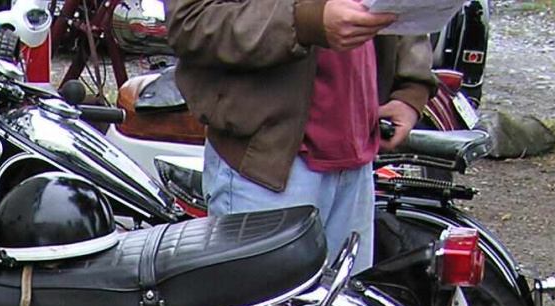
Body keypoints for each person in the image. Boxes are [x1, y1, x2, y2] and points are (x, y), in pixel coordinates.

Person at [165, 0, 436, 270]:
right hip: (265, 167)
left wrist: (411, 88)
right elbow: (192, 21)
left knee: (347, 299)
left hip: (356, 163)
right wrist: (305, 23)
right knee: (269, 300)